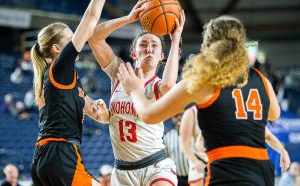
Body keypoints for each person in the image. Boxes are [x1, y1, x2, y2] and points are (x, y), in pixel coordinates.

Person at [117, 15, 281, 186]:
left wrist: (136, 91)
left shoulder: (203, 82)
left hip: (229, 171)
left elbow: (149, 116)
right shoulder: (261, 79)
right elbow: (274, 114)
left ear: (208, 47)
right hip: (262, 170)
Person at [88, 0, 185, 186]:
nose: (149, 48)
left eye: (154, 45)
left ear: (161, 56)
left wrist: (175, 41)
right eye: (143, 45)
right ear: (133, 53)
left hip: (155, 165)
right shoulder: (120, 73)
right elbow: (94, 37)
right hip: (123, 171)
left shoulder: (158, 85)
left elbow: (168, 86)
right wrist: (128, 18)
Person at [30, 0, 110, 185]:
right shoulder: (59, 69)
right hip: (60, 154)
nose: (77, 40)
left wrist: (102, 112)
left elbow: (99, 115)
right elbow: (91, 16)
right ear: (57, 48)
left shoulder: (64, 80)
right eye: (71, 38)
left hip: (43, 158)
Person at [180, 106, 207, 186]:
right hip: (199, 161)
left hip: (215, 160)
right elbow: (184, 143)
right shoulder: (191, 112)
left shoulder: (217, 108)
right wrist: (196, 162)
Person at [163, 113, 189, 186]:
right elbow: (165, 157)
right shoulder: (167, 135)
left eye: (180, 115)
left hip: (194, 175)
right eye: (175, 116)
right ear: (172, 119)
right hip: (177, 178)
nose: (178, 119)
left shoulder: (192, 131)